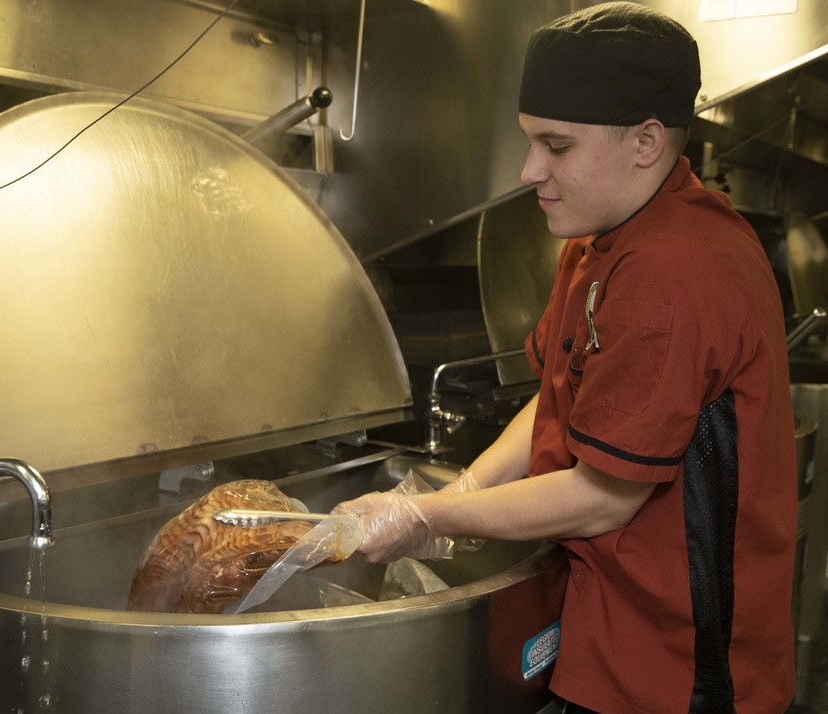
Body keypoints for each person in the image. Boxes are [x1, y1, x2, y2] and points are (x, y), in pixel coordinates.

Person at [332, 3, 798, 713]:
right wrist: (458, 492)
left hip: (677, 669)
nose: (529, 171)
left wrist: (429, 519)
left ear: (645, 142)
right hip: (603, 626)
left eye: (557, 146)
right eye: (529, 142)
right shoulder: (598, 238)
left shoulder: (675, 269)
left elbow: (601, 497)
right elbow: (554, 397)